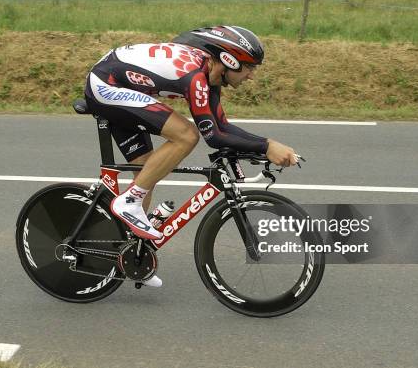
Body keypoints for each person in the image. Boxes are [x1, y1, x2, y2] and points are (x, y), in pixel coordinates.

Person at [83, 26, 298, 286]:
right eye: (249, 67)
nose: (251, 76)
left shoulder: (211, 75)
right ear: (229, 61)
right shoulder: (196, 77)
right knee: (186, 135)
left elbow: (222, 127)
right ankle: (128, 202)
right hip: (106, 84)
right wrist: (266, 146)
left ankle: (134, 256)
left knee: (146, 170)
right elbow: (212, 136)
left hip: (120, 82)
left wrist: (264, 145)